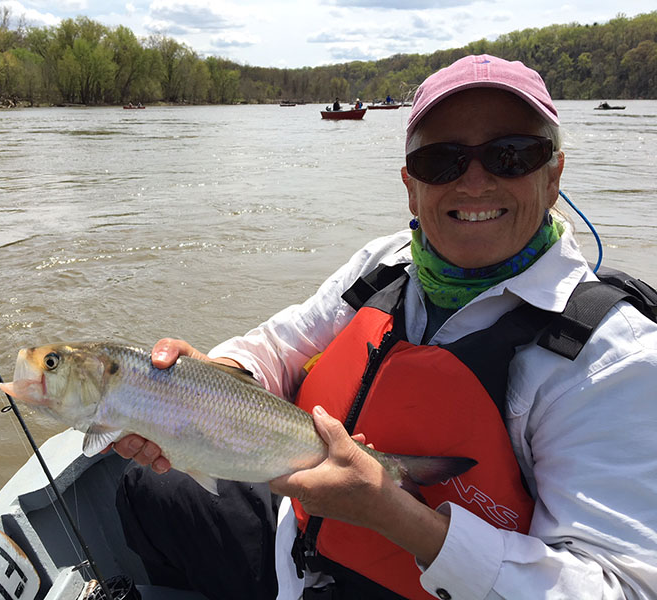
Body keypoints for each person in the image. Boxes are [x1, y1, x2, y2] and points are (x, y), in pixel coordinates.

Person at [112, 54, 657, 599]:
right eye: (441, 161)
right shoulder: (387, 263)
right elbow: (282, 345)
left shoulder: (614, 358)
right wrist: (215, 377)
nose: (473, 182)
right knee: (149, 486)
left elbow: (620, 587)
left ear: (554, 173)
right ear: (411, 187)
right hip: (299, 555)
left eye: (510, 156)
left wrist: (394, 516)